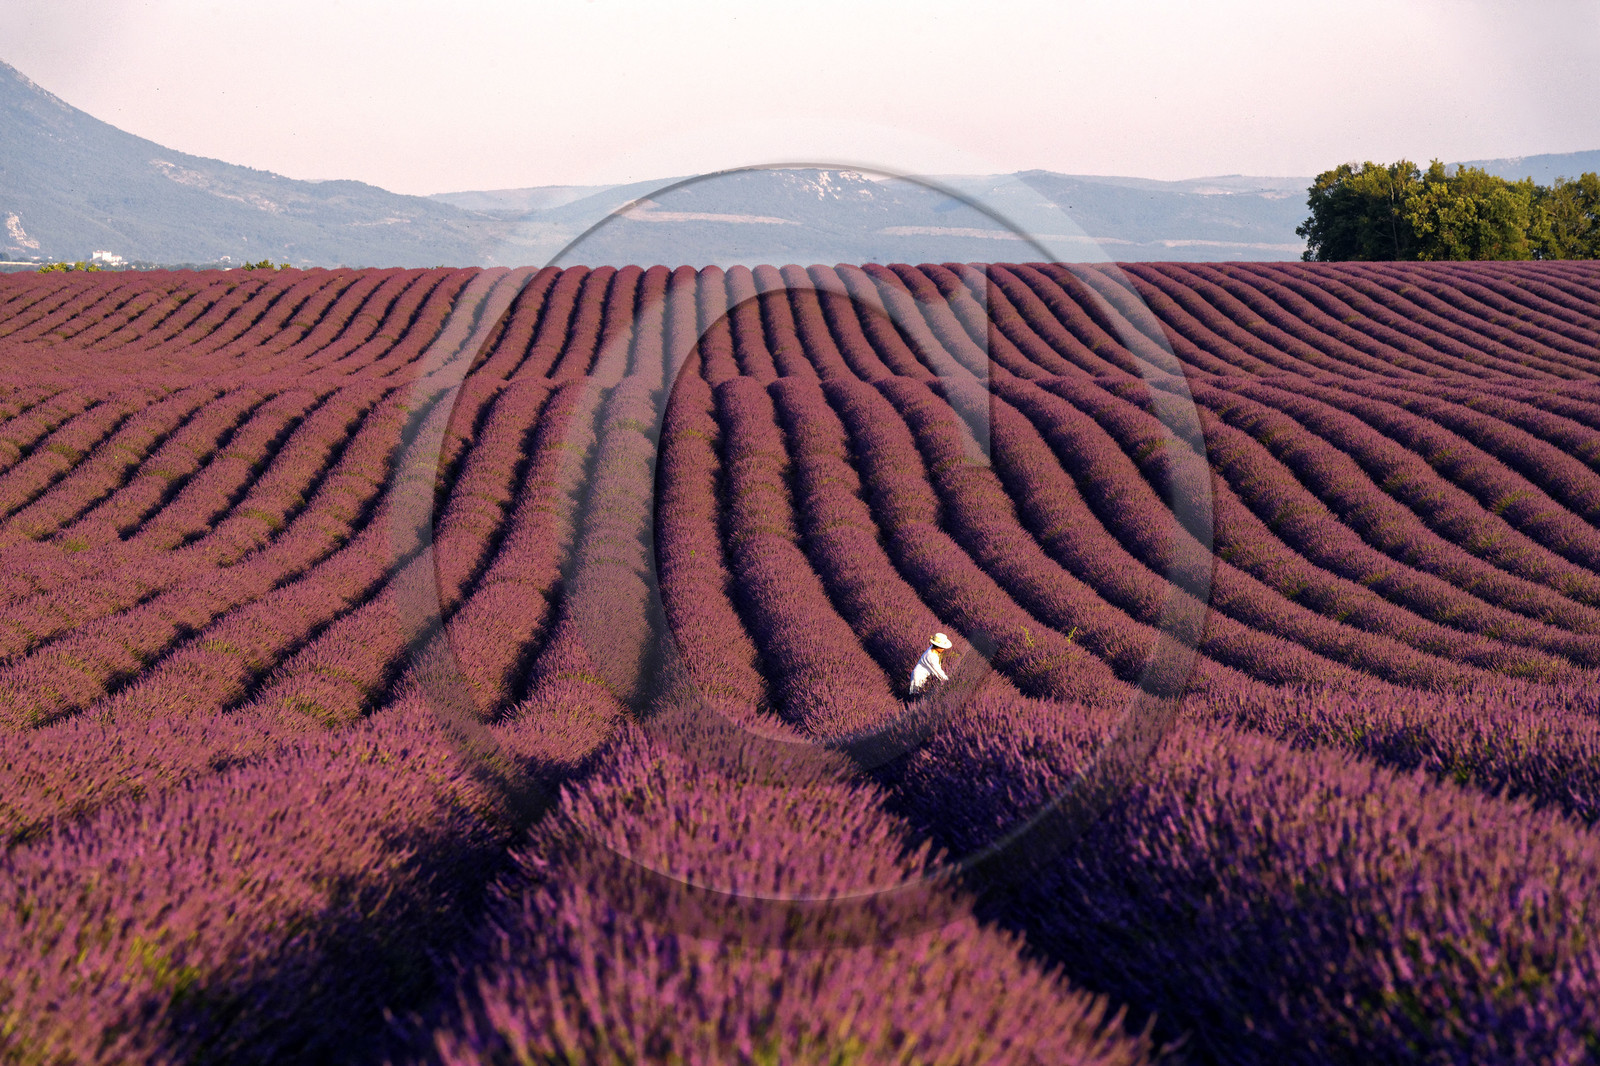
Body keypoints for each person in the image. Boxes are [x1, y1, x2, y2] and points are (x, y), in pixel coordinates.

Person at [907, 633, 953, 697]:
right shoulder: (931, 657)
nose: (943, 649)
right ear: (937, 646)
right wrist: (950, 682)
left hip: (925, 677)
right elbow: (938, 672)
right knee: (916, 697)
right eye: (942, 647)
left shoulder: (933, 648)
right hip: (919, 678)